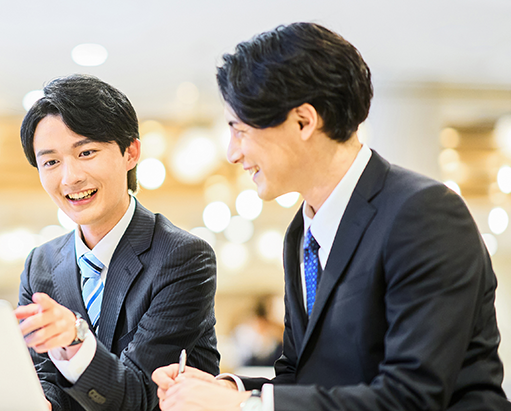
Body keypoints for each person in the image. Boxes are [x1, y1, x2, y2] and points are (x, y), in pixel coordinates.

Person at [152, 22, 509, 410]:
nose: (232, 153)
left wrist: (242, 407)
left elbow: (411, 396)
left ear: (304, 121)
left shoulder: (424, 214)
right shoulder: (300, 233)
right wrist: (229, 389)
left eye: (240, 130)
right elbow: (300, 374)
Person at [14, 74, 219, 411]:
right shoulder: (41, 264)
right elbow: (44, 379)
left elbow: (138, 394)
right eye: (50, 162)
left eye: (86, 152)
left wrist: (75, 339)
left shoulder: (182, 257)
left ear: (130, 152)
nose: (70, 177)